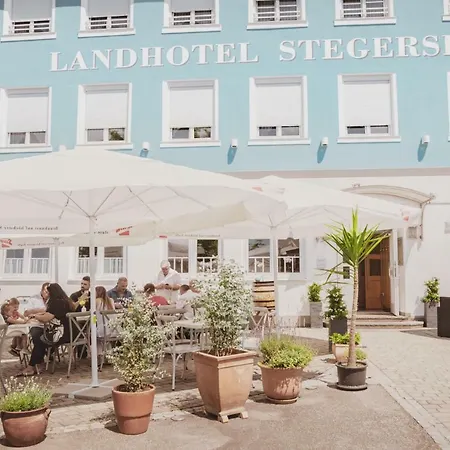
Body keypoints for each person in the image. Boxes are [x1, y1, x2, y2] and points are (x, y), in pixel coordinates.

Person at [16, 283, 71, 377]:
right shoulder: (65, 301)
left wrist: (35, 316)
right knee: (40, 337)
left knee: (40, 341)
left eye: (48, 293)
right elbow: (48, 314)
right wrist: (38, 315)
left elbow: (46, 318)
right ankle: (37, 364)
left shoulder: (57, 303)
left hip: (63, 334)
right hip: (71, 333)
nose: (47, 295)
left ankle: (31, 366)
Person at [95, 286, 115, 369]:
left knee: (93, 336)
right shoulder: (111, 300)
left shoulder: (97, 301)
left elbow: (92, 314)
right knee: (104, 338)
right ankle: (109, 356)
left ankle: (99, 356)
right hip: (114, 330)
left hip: (103, 330)